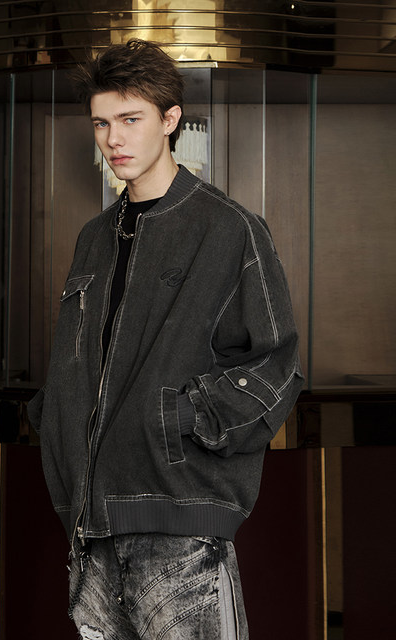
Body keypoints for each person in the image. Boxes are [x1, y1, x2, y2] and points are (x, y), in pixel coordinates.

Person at [28, 38, 304, 640]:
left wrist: (178, 418)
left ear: (171, 120)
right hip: (91, 531)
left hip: (181, 532)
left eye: (131, 119)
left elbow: (276, 366)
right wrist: (57, 422)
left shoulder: (229, 229)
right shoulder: (93, 238)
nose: (114, 139)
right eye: (101, 123)